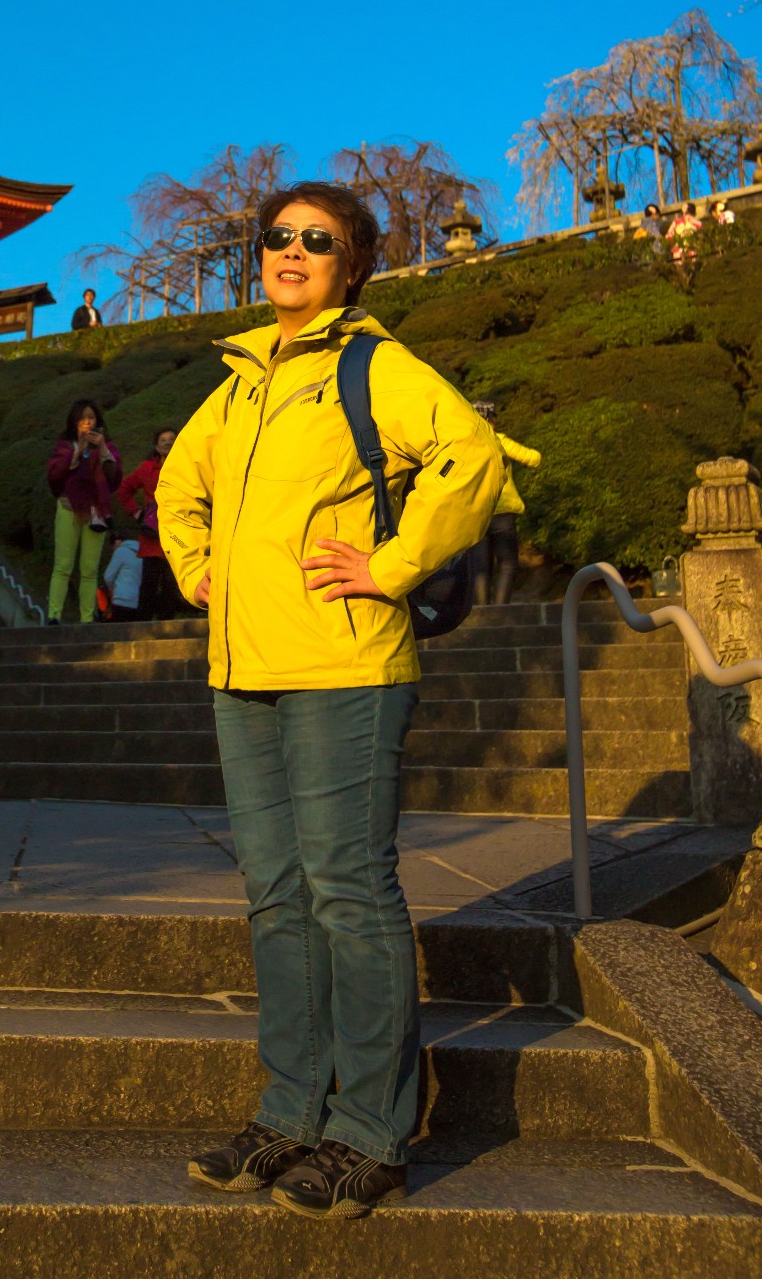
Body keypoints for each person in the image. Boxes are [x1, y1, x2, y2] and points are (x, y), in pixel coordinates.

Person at [158, 181, 503, 1220]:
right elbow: (179, 486)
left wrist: (393, 564)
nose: (293, 252)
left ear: (353, 265)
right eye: (278, 237)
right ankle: (290, 1112)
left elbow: (471, 457)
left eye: (320, 239)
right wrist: (196, 564)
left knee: (348, 887)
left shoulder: (371, 364)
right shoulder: (239, 384)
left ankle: (371, 1131)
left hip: (348, 664)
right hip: (243, 667)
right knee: (276, 893)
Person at [45, 400, 122, 625]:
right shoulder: (64, 445)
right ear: (74, 421)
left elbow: (114, 476)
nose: (87, 422)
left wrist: (103, 449)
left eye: (91, 417)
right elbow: (54, 475)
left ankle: (87, 618)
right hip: (69, 509)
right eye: (82, 418)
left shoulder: (107, 446)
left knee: (89, 569)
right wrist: (77, 451)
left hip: (96, 512)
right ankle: (54, 615)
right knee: (63, 565)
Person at [470, 405, 541, 606]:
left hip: (476, 511)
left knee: (481, 566)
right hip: (502, 511)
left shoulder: (465, 444)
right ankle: (501, 610)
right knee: (508, 564)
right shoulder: (498, 440)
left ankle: (482, 611)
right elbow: (534, 458)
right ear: (491, 420)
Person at [117, 425, 186, 619]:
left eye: (171, 439)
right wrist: (137, 513)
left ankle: (166, 625)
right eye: (163, 440)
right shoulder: (146, 468)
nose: (167, 443)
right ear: (156, 445)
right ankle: (143, 625)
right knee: (150, 581)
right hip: (152, 536)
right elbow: (124, 490)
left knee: (171, 583)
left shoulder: (186, 468)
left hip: (176, 532)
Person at [101, 535, 143, 621]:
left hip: (120, 600)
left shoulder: (121, 551)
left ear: (117, 542)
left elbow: (108, 577)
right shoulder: (143, 553)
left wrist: (112, 590)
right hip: (138, 601)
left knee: (119, 631)